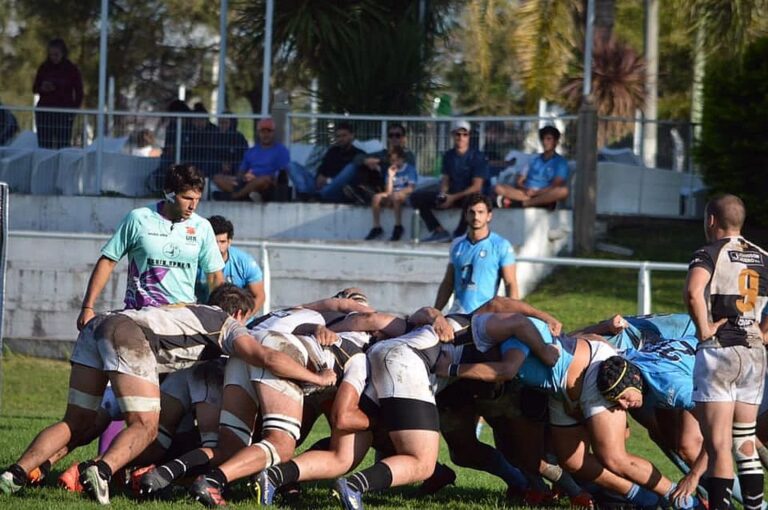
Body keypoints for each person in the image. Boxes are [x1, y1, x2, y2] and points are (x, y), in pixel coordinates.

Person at [0, 285, 336, 504]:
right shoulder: (227, 325)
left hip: (100, 325)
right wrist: (317, 377)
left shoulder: (192, 308)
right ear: (237, 314)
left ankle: (14, 474)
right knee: (145, 425)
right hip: (129, 336)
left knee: (77, 421)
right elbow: (266, 357)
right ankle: (101, 471)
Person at [683, 194, 768, 510]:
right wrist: (763, 332)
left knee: (718, 446)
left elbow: (693, 293)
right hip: (754, 353)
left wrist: (704, 328)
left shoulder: (708, 252)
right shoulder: (763, 256)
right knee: (744, 441)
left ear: (711, 220)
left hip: (720, 353)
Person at [76, 163, 225, 331]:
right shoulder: (138, 218)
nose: (193, 206)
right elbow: (108, 261)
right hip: (139, 317)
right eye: (187, 198)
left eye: (197, 199)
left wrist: (222, 317)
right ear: (169, 193)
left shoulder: (202, 227)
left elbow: (214, 277)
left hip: (183, 318)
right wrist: (87, 307)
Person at [435, 194, 518, 313]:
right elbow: (448, 283)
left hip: (486, 316)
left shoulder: (501, 245)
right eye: (472, 212)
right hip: (458, 313)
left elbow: (510, 283)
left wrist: (513, 316)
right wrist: (436, 311)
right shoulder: (457, 244)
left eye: (480, 212)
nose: (476, 217)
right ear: (465, 215)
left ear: (489, 216)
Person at [410, 120, 488, 242]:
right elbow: (445, 179)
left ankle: (459, 234)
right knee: (415, 197)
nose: (461, 137)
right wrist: (444, 196)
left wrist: (453, 197)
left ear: (469, 136)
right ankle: (438, 231)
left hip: (466, 196)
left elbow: (476, 186)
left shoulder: (477, 156)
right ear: (453, 135)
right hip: (452, 194)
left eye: (464, 134)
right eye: (458, 134)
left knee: (473, 199)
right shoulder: (448, 155)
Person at [318, 123, 416, 204]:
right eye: (391, 135)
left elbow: (401, 167)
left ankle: (321, 195)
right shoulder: (383, 153)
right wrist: (366, 161)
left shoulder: (407, 155)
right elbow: (358, 158)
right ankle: (355, 193)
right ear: (388, 138)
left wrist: (378, 162)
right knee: (355, 166)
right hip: (374, 186)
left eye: (397, 135)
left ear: (404, 138)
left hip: (393, 190)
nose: (394, 138)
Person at [195, 215, 264, 313]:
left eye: (222, 242)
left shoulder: (244, 262)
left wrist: (243, 319)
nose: (218, 247)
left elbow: (259, 296)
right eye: (213, 242)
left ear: (229, 242)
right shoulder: (194, 261)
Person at [212, 117, 290, 202]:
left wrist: (266, 177)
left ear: (273, 133)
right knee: (217, 178)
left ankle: (235, 196)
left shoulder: (281, 150)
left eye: (268, 131)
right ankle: (246, 195)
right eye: (262, 132)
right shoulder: (251, 151)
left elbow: (282, 172)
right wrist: (242, 178)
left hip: (266, 184)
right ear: (258, 133)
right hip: (248, 181)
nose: (265, 135)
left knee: (263, 180)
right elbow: (242, 171)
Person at [494, 125, 569, 209]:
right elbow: (519, 181)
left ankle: (523, 203)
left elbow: (556, 185)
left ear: (556, 142)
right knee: (498, 188)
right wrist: (526, 190)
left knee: (563, 191)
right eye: (543, 139)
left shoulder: (561, 162)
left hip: (544, 193)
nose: (545, 142)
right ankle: (536, 203)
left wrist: (537, 192)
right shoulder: (533, 159)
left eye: (548, 139)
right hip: (526, 193)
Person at [32, 38, 83, 149]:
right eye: (51, 55)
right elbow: (35, 88)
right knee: (45, 146)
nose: (53, 57)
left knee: (63, 146)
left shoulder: (71, 69)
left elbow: (79, 93)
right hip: (45, 113)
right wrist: (43, 88)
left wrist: (72, 112)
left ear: (63, 53)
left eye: (56, 54)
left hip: (63, 114)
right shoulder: (44, 68)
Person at [364, 146, 418, 242]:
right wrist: (390, 176)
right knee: (376, 197)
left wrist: (397, 194)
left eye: (397, 160)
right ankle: (377, 227)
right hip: (393, 194)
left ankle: (398, 226)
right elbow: (388, 191)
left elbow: (411, 188)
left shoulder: (409, 169)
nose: (395, 163)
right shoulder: (391, 170)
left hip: (405, 195)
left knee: (396, 196)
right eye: (392, 161)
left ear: (402, 159)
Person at [315, 122, 364, 191]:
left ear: (352, 136)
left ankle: (315, 197)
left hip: (340, 189)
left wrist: (329, 180)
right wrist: (319, 177)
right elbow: (322, 169)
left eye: (344, 136)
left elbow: (351, 179)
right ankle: (306, 195)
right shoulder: (332, 151)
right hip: (322, 186)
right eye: (338, 136)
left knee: (351, 167)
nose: (341, 139)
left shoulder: (359, 154)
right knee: (294, 166)